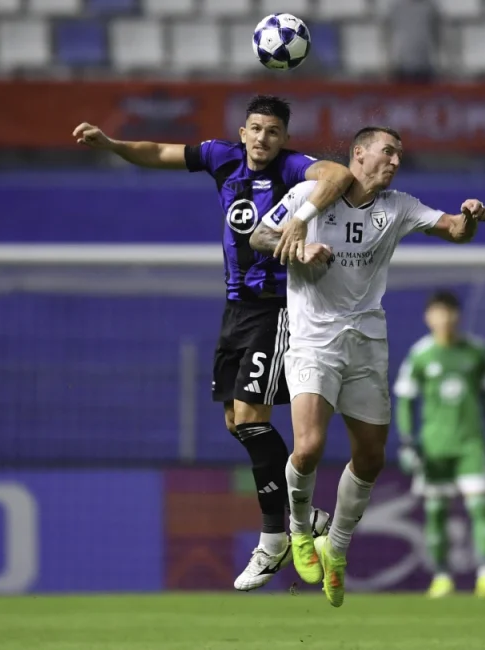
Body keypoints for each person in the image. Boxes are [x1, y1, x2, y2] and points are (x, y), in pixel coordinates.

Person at [73, 95, 355, 592]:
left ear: (284, 137)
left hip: (278, 308)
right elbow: (158, 152)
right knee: (235, 421)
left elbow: (339, 176)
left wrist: (300, 217)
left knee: (250, 417)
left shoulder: (293, 168)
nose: (263, 138)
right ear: (242, 132)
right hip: (235, 311)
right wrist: (112, 144)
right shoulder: (221, 158)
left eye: (273, 131)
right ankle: (303, 517)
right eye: (256, 129)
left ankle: (275, 539)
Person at [248, 126, 485, 607]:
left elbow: (454, 231)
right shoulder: (307, 194)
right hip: (314, 339)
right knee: (311, 446)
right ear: (358, 154)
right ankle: (299, 529)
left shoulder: (398, 206)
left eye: (400, 155)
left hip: (366, 343)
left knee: (372, 458)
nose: (396, 161)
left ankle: (336, 547)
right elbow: (259, 234)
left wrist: (470, 217)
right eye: (388, 152)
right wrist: (297, 247)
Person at [393, 290, 485, 599]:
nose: (444, 319)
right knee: (436, 512)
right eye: (438, 313)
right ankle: (441, 576)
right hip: (434, 447)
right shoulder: (421, 354)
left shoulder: (475, 352)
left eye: (449, 313)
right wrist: (406, 440)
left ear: (458, 316)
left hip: (471, 444)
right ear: (428, 318)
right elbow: (404, 400)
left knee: (481, 507)